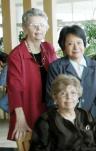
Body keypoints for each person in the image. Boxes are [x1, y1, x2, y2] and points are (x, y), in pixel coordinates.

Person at [27, 74, 96, 151]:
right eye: (63, 93)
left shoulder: (84, 114)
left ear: (78, 96)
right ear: (55, 97)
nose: (69, 97)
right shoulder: (46, 121)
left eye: (73, 93)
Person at [7, 8, 57, 140]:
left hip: (50, 107)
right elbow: (14, 88)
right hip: (29, 108)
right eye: (34, 25)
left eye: (42, 25)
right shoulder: (17, 55)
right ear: (24, 28)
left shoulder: (48, 48)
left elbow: (57, 74)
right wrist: (20, 117)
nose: (38, 29)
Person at [46, 25, 96, 118]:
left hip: (90, 121)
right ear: (63, 46)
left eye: (79, 42)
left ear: (84, 44)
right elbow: (51, 98)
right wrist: (67, 119)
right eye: (70, 43)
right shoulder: (56, 68)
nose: (76, 47)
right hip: (64, 121)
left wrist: (88, 118)